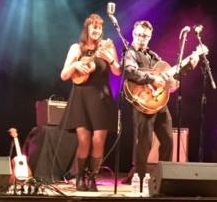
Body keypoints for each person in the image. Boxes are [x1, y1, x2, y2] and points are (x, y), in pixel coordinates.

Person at [123, 20, 199, 186]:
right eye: (138, 35)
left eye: (145, 36)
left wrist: (188, 65)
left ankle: (163, 179)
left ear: (150, 37)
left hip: (159, 102)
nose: (141, 38)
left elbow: (170, 75)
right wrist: (152, 79)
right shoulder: (130, 53)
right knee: (145, 142)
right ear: (133, 34)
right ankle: (140, 180)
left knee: (168, 140)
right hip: (143, 103)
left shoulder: (154, 56)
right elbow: (129, 71)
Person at [59, 14, 121, 191]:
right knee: (84, 140)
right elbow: (64, 75)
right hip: (81, 98)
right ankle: (80, 177)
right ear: (87, 28)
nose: (97, 31)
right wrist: (74, 66)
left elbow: (117, 72)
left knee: (99, 139)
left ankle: (92, 177)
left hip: (102, 98)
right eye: (94, 27)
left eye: (100, 28)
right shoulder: (76, 48)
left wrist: (110, 59)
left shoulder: (107, 46)